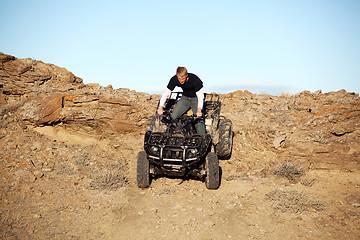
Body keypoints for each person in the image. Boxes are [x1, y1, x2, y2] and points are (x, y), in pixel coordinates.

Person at [157, 67, 206, 135]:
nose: (181, 81)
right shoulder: (174, 79)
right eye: (179, 78)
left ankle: (203, 140)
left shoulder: (194, 79)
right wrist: (161, 106)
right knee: (173, 117)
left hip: (195, 99)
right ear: (177, 75)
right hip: (185, 98)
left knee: (199, 120)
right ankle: (169, 137)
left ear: (186, 76)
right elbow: (166, 93)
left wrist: (199, 109)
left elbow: (200, 96)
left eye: (183, 78)